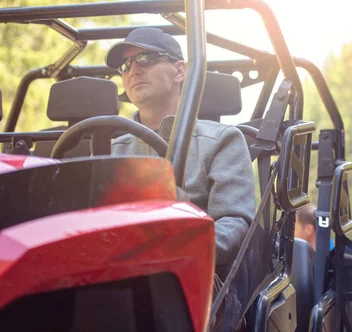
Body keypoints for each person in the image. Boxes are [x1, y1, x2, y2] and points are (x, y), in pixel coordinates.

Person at [106, 27, 256, 281]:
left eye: (145, 58)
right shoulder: (110, 150)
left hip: (195, 279)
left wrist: (182, 250)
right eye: (125, 65)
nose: (133, 70)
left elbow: (234, 222)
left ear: (179, 71)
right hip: (116, 275)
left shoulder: (221, 141)